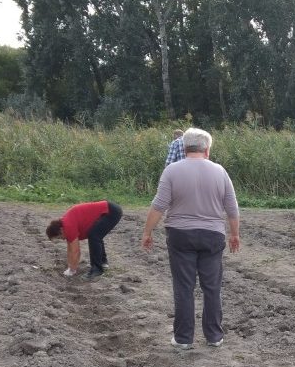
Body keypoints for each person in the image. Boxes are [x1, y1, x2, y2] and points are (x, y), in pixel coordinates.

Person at [142, 128, 240, 350]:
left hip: (180, 235)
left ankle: (183, 338)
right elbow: (232, 208)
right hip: (212, 236)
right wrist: (234, 234)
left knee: (184, 287)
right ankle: (214, 336)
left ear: (184, 147)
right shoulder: (220, 171)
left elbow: (159, 205)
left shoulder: (172, 171)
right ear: (207, 149)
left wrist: (147, 232)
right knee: (212, 287)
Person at [46, 200, 123, 278]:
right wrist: (70, 266)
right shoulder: (66, 224)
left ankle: (97, 269)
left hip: (111, 211)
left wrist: (72, 270)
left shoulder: (68, 226)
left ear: (60, 230)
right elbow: (70, 249)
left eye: (59, 237)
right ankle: (102, 262)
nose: (62, 239)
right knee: (96, 234)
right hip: (110, 209)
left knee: (94, 235)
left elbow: (76, 251)